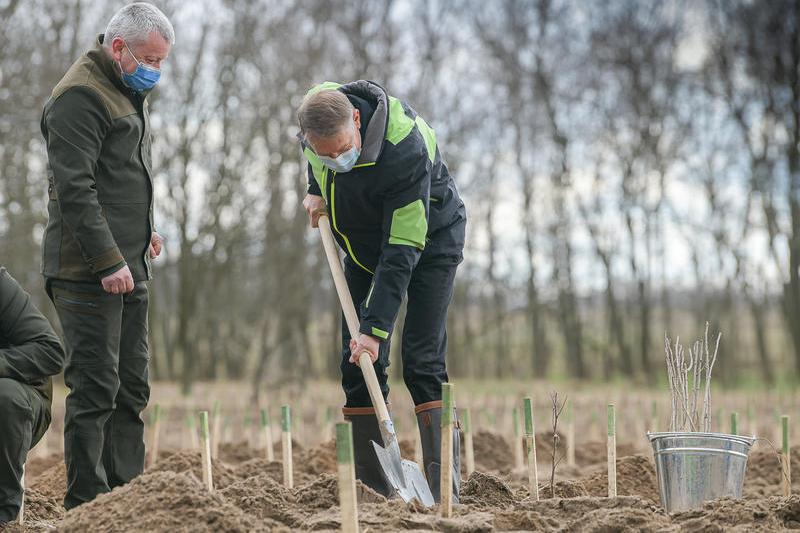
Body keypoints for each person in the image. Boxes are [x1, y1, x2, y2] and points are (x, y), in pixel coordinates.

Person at [297, 81, 467, 502]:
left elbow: (402, 250)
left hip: (426, 244)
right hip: (361, 246)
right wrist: (317, 190)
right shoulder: (316, 122)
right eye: (326, 155)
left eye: (342, 149)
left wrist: (375, 329)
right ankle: (375, 488)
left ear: (357, 120)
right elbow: (317, 164)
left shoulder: (405, 148)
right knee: (354, 364)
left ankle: (445, 488)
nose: (337, 159)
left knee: (422, 360)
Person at [39, 3, 173, 509]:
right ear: (118, 48)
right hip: (86, 273)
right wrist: (109, 259)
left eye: (162, 62)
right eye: (150, 59)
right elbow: (74, 189)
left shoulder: (123, 89)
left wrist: (146, 232)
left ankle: (129, 498)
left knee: (132, 388)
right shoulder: (79, 96)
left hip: (131, 265)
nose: (155, 71)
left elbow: (122, 175)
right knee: (96, 390)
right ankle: (89, 506)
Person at [0, 268, 64, 525]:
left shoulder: (2, 289)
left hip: (18, 403)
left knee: (5, 395)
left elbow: (50, 351)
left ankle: (5, 514)